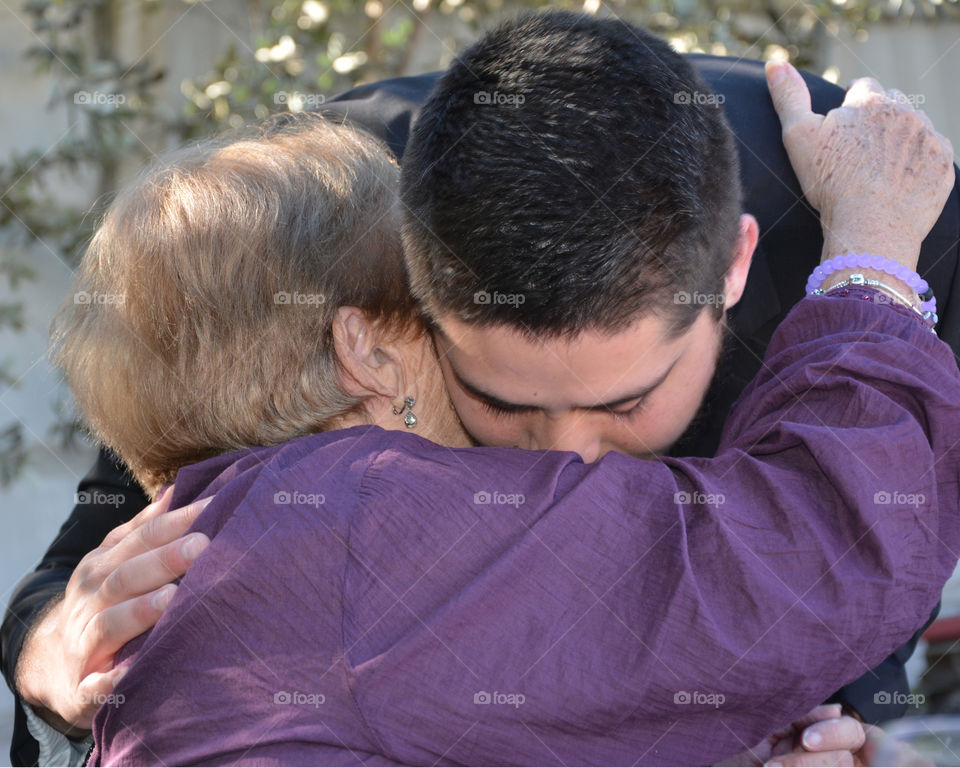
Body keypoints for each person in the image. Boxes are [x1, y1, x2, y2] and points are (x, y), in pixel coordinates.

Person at [4, 10, 959, 764]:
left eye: (627, 402)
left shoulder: (909, 225)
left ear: (735, 272)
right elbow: (824, 555)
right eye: (500, 400)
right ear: (383, 332)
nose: (568, 461)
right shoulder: (319, 228)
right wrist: (54, 651)